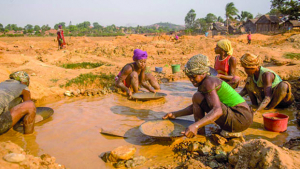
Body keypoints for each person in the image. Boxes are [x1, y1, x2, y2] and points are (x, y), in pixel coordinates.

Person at [163, 54, 253, 138]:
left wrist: (195, 125)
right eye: (189, 77)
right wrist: (175, 114)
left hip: (240, 118)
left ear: (203, 73)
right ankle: (200, 132)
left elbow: (218, 111)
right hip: (242, 119)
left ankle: (200, 133)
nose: (191, 80)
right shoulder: (206, 82)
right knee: (197, 97)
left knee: (197, 96)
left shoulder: (208, 82)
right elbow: (196, 106)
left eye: (193, 77)